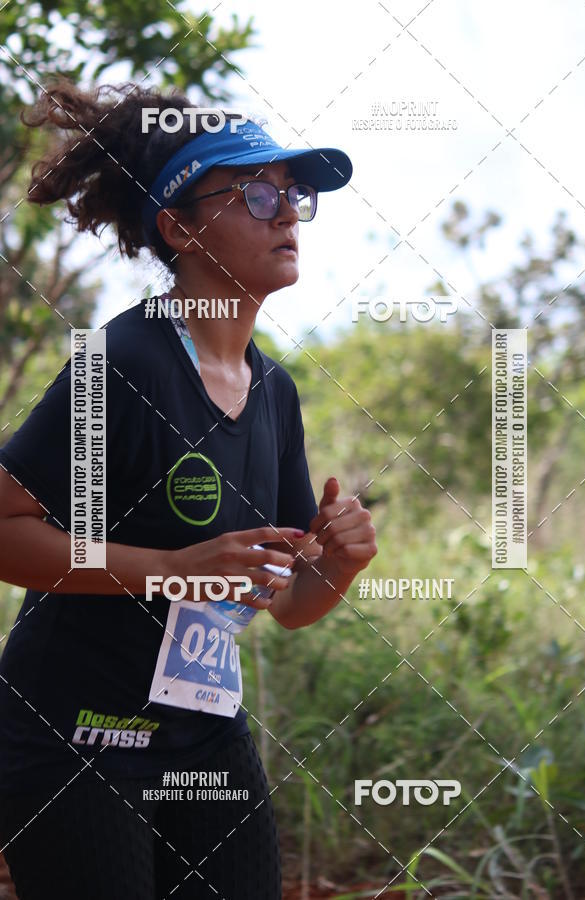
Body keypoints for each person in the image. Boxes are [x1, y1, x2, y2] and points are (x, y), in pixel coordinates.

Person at [0, 79, 378, 899]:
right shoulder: (124, 363)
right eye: (256, 190)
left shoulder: (274, 390)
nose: (286, 212)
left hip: (202, 733)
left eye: (293, 194)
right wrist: (170, 568)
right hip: (78, 733)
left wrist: (336, 566)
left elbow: (283, 600)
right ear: (178, 226)